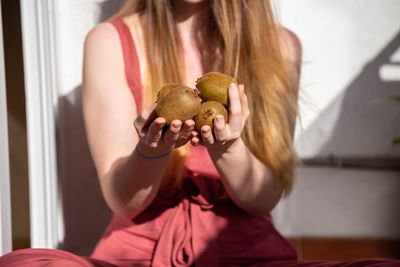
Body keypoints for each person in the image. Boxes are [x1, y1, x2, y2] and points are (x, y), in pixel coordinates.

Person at [1, 0, 399, 266]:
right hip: (139, 251)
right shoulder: (110, 40)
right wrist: (152, 151)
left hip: (246, 252)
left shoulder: (281, 47)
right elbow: (124, 201)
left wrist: (227, 148)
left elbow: (264, 198)